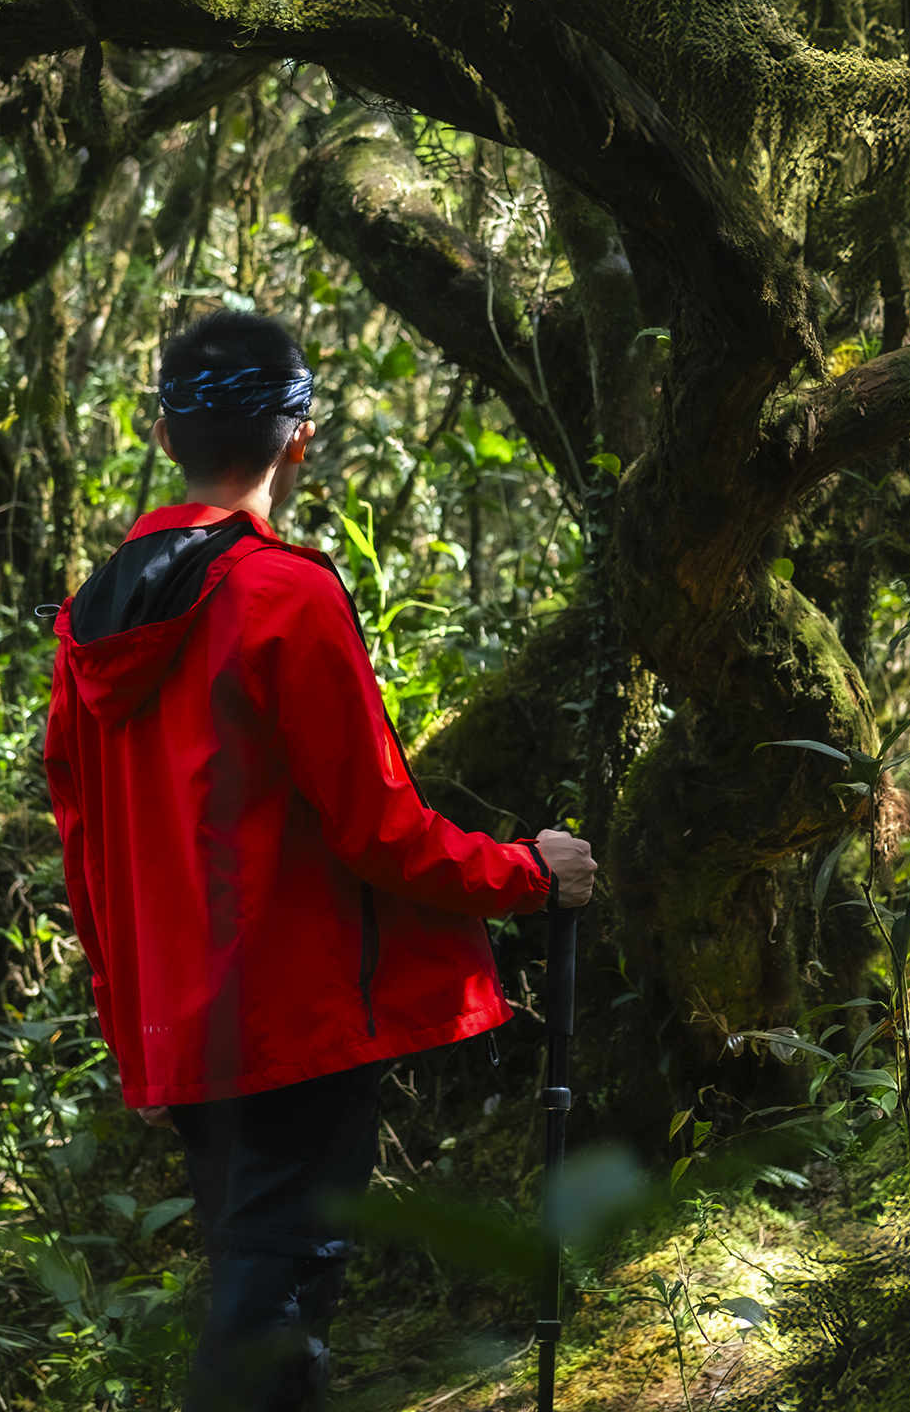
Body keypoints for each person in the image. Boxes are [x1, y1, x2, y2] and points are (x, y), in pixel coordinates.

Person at [41, 309, 598, 1412]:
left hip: (189, 1031)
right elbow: (379, 827)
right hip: (294, 1028)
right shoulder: (284, 594)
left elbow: (86, 848)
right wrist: (530, 873)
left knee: (270, 1309)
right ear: (300, 438)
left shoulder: (88, 623)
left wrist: (129, 1031)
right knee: (272, 1313)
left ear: (162, 436)